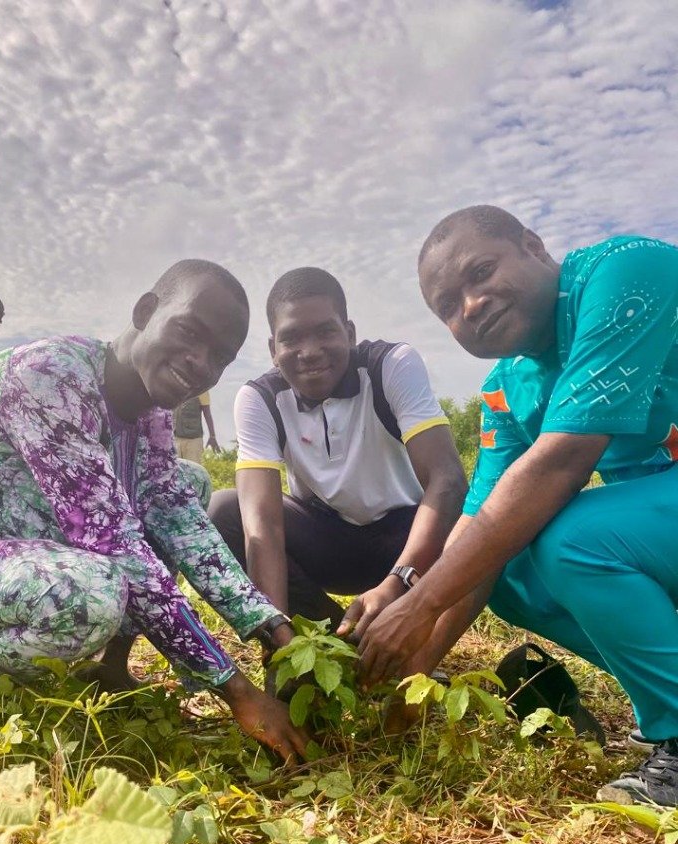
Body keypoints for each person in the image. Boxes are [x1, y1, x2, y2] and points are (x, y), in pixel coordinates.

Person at [0, 260, 307, 761]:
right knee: (89, 595)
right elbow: (114, 544)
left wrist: (275, 629)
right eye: (188, 332)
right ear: (146, 311)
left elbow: (180, 522)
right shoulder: (48, 377)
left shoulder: (153, 414)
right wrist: (237, 691)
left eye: (220, 356)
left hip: (18, 539)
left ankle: (110, 666)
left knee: (189, 483)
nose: (199, 362)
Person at [356, 204, 678, 806]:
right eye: (448, 307)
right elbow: (480, 525)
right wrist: (411, 675)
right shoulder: (505, 387)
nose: (470, 306)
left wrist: (417, 605)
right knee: (503, 573)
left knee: (573, 537)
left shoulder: (623, 273)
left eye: (480, 272)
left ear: (532, 245)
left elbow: (563, 459)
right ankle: (665, 700)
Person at [209, 267, 467, 652]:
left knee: (477, 518)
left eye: (326, 332)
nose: (310, 352)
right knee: (225, 510)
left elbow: (447, 480)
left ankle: (413, 636)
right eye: (291, 338)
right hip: (328, 539)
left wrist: (398, 582)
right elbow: (261, 526)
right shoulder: (260, 398)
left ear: (349, 333)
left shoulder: (390, 365)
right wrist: (279, 649)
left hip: (408, 539)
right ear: (272, 350)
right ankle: (331, 641)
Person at [173, 391, 220, 462]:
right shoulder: (173, 388)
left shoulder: (202, 390)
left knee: (193, 471)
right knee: (173, 470)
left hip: (194, 442)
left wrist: (212, 436)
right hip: (174, 439)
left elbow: (207, 414)